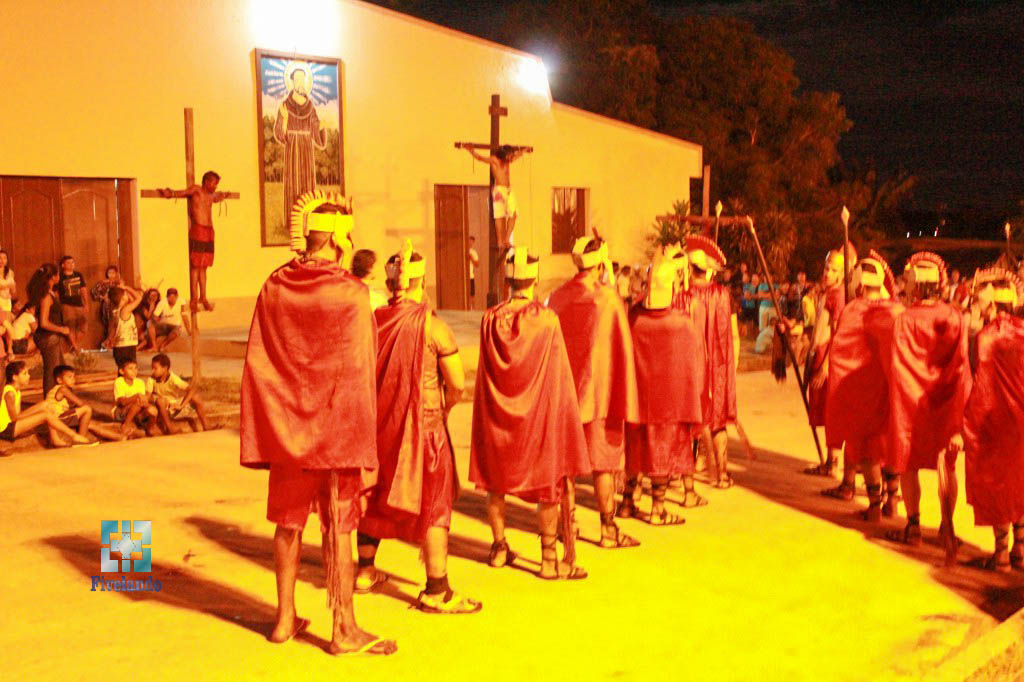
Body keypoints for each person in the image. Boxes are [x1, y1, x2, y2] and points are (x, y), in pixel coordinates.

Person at [240, 190, 395, 656]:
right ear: (337, 239)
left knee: (287, 524)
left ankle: (284, 619)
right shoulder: (351, 292)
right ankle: (343, 628)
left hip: (289, 429)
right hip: (335, 431)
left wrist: (278, 417)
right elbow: (360, 364)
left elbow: (261, 358)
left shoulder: (274, 285)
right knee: (339, 527)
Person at [355, 242, 481, 613]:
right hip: (424, 428)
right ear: (421, 282)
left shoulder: (373, 321)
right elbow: (456, 383)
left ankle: (365, 571)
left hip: (380, 426)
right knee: (434, 503)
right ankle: (437, 589)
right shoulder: (433, 327)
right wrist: (446, 408)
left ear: (391, 284)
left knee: (376, 493)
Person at [470, 248, 590, 580]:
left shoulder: (490, 319)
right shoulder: (546, 320)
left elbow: (485, 372)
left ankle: (499, 548)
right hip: (538, 417)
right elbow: (558, 373)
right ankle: (549, 559)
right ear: (534, 278)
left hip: (498, 417)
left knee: (496, 483)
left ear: (508, 280)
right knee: (547, 485)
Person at [548, 236, 641, 547]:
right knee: (603, 462)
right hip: (600, 395)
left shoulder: (557, 298)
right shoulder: (608, 299)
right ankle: (607, 529)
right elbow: (621, 348)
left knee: (567, 466)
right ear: (600, 264)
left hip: (565, 395)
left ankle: (568, 526)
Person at [886, 252, 970, 566]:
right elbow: (962, 368)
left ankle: (914, 526)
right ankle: (947, 527)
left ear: (918, 285)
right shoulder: (955, 317)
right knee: (947, 466)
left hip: (911, 405)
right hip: (945, 405)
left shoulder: (904, 319)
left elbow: (897, 367)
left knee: (909, 464)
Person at [619, 246, 704, 523]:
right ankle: (658, 509)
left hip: (637, 401)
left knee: (635, 451)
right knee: (661, 454)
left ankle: (627, 502)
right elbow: (692, 368)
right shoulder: (681, 323)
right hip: (668, 406)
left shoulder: (635, 317)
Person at [821, 253, 903, 520]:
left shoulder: (854, 309)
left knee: (868, 450)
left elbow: (841, 352)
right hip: (889, 391)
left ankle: (874, 506)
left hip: (864, 392)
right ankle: (892, 500)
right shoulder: (896, 310)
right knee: (888, 446)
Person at [959, 269, 1024, 570]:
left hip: (997, 422)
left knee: (999, 485)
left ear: (994, 303)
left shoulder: (987, 337)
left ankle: (1001, 553)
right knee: (1020, 482)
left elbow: (980, 381)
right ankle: (1020, 550)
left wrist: (969, 423)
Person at [676, 235, 739, 489]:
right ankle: (721, 475)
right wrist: (732, 365)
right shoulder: (723, 294)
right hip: (719, 368)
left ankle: (684, 478)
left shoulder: (682, 296)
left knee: (689, 420)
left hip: (691, 368)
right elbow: (732, 334)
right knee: (717, 421)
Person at [804, 248, 855, 477]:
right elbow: (818, 328)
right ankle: (829, 461)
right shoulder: (828, 292)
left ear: (842, 274)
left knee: (831, 411)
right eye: (827, 268)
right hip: (819, 354)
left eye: (834, 270)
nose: (828, 273)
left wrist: (825, 366)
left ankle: (833, 463)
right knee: (824, 411)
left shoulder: (839, 295)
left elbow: (838, 333)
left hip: (829, 358)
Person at [159, 170, 229, 312]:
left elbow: (217, 197)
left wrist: (224, 195)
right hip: (198, 230)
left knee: (204, 267)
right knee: (196, 266)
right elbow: (183, 193)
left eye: (216, 184)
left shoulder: (211, 195)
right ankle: (194, 299)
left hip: (209, 232)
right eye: (214, 184)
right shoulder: (197, 190)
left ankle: (203, 297)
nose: (215, 186)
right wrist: (171, 193)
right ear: (206, 182)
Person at [273, 64, 326, 223]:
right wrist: (285, 120)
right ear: (292, 81)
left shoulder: (310, 107)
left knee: (307, 184)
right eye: (297, 79)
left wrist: (321, 127)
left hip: (306, 150)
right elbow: (279, 133)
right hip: (292, 148)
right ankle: (292, 222)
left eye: (303, 79)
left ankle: (307, 222)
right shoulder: (285, 105)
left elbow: (316, 131)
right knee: (293, 183)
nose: (300, 82)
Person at [0, 361, 93, 450]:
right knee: (45, 413)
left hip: (12, 426)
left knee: (45, 406)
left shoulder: (17, 391)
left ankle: (55, 439)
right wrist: (37, 409)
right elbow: (15, 418)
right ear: (15, 377)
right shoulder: (10, 393)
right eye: (24, 374)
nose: (29, 376)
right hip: (6, 429)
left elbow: (18, 415)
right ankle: (75, 437)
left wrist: (40, 408)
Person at [460, 144, 530, 247]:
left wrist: (523, 151)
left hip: (508, 190)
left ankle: (506, 239)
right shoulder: (495, 160)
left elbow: (516, 156)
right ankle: (500, 241)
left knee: (514, 214)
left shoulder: (508, 161)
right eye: (509, 155)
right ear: (504, 154)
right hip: (499, 190)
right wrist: (471, 151)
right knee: (499, 216)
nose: (510, 157)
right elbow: (480, 158)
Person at [27, 263, 75, 396]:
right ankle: (49, 400)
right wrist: (61, 329)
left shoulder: (49, 293)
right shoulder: (46, 297)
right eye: (58, 274)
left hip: (51, 338)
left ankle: (62, 397)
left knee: (60, 369)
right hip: (48, 337)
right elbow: (44, 322)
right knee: (52, 371)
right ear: (53, 277)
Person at [46, 365, 125, 443]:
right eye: (70, 377)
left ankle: (118, 437)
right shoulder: (63, 389)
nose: (73, 380)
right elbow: (81, 404)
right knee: (87, 409)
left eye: (73, 377)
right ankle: (81, 440)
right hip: (57, 419)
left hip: (62, 418)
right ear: (59, 380)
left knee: (89, 424)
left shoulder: (59, 390)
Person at [148, 353, 209, 433]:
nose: (153, 371)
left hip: (174, 406)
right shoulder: (151, 379)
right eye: (152, 368)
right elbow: (148, 396)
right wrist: (156, 398)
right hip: (162, 408)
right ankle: (170, 429)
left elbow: (191, 389)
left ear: (165, 368)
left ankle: (206, 426)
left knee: (196, 397)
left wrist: (181, 406)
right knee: (161, 400)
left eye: (155, 368)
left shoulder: (173, 378)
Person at [114, 359, 164, 437]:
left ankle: (150, 429)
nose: (134, 371)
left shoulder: (140, 382)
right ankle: (126, 425)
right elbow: (122, 402)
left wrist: (149, 405)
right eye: (130, 368)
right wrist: (136, 396)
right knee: (138, 402)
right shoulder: (119, 382)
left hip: (137, 410)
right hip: (121, 412)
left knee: (152, 410)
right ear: (122, 371)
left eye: (136, 368)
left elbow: (143, 401)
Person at [107, 286, 144, 367]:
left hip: (119, 346)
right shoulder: (125, 310)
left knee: (122, 369)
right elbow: (139, 298)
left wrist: (110, 339)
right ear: (123, 298)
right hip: (127, 346)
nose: (128, 295)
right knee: (129, 369)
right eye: (126, 294)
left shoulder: (116, 311)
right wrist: (127, 287)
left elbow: (114, 328)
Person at [58, 256, 89, 351]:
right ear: (63, 265)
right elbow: (56, 293)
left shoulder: (78, 275)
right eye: (68, 263)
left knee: (83, 328)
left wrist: (86, 303)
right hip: (66, 305)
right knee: (70, 327)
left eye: (73, 262)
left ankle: (74, 345)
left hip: (79, 304)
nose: (71, 264)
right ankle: (75, 347)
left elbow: (83, 289)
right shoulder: (59, 276)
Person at [90, 265, 120, 349]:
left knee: (116, 324)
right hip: (107, 306)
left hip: (117, 305)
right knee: (110, 324)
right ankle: (108, 343)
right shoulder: (103, 283)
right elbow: (93, 291)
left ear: (116, 273)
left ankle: (109, 343)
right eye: (109, 273)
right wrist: (102, 297)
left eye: (113, 273)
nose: (111, 274)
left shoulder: (119, 283)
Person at [0, 250, 15, 354]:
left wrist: (12, 288)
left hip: (7, 300)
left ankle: (10, 349)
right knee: (3, 325)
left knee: (8, 324)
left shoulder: (10, 272)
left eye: (4, 258)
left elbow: (13, 290)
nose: (1, 260)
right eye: (0, 258)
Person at [467, 235, 479, 300]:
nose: (470, 243)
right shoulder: (462, 250)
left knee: (472, 295)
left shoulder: (473, 252)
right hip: (462, 277)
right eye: (469, 241)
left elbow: (477, 264)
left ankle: (472, 306)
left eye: (472, 242)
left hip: (470, 276)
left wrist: (471, 258)